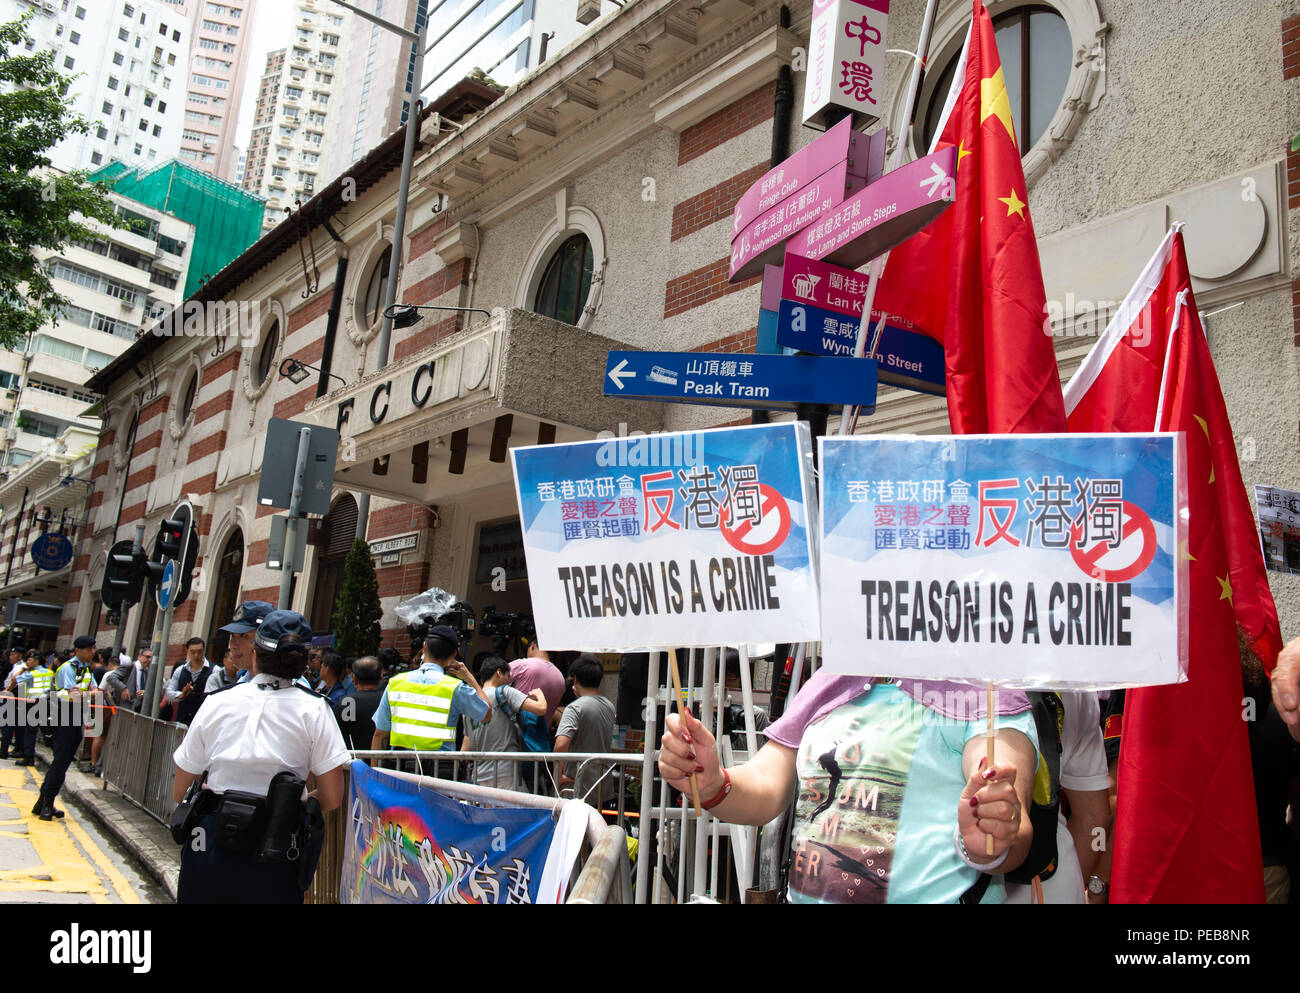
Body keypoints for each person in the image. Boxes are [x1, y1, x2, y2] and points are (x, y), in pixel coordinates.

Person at [659, 671, 1038, 903]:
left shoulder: (985, 686)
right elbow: (765, 786)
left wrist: (988, 835)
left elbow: (1011, 822)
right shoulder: (832, 678)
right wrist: (711, 782)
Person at [171, 611, 351, 904]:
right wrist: (300, 798)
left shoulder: (216, 702)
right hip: (276, 846)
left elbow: (181, 790)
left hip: (211, 841)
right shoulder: (316, 710)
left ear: (255, 654)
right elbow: (331, 796)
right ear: (305, 663)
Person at [1004, 691, 1111, 904]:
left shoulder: (935, 680)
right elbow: (1096, 820)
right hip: (1049, 884)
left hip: (945, 883)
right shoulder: (1071, 679)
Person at [370, 625, 490, 774]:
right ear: (453, 654)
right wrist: (470, 678)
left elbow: (380, 734)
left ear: (424, 646)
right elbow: (487, 713)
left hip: (400, 769)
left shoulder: (395, 683)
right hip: (439, 772)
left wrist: (373, 774)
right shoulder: (454, 687)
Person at [34, 636, 96, 820]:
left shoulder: (85, 669)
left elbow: (95, 691)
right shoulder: (68, 668)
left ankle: (43, 802)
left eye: (93, 648)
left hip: (75, 717)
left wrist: (88, 693)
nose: (93, 652)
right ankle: (46, 803)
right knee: (60, 762)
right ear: (78, 650)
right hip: (62, 717)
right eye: (90, 649)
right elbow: (75, 695)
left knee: (63, 763)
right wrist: (89, 694)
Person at [465, 656, 547, 791]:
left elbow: (465, 747)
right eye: (508, 676)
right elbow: (540, 709)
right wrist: (540, 695)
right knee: (518, 810)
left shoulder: (469, 703)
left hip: (479, 777)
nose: (509, 682)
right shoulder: (504, 691)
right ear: (498, 672)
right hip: (506, 774)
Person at [554, 655, 615, 806]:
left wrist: (557, 776)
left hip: (578, 788)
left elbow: (561, 744)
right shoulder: (609, 706)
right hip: (603, 787)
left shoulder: (575, 708)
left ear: (575, 680)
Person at [8, 650, 51, 766]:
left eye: (29, 660)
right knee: (37, 730)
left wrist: (22, 669)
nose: (27, 662)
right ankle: (28, 754)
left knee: (29, 732)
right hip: (44, 702)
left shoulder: (31, 673)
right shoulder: (49, 672)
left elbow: (14, 679)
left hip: (32, 703)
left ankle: (28, 757)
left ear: (36, 660)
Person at [508, 643, 566, 728]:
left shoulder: (524, 665)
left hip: (515, 732)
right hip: (540, 735)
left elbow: (493, 680)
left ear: (532, 646)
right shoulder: (560, 677)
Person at [219, 601, 274, 683]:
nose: (233, 645)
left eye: (243, 636)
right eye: (232, 635)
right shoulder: (242, 682)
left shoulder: (291, 689)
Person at [337, 656, 384, 751]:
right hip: (383, 762)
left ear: (354, 678)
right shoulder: (387, 700)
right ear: (380, 678)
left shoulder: (347, 702)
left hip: (352, 762)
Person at [165, 638, 212, 726]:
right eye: (192, 652)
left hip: (203, 722)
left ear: (204, 651)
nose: (196, 655)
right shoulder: (180, 670)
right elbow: (168, 694)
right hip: (181, 721)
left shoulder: (214, 671)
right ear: (187, 651)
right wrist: (181, 694)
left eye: (199, 651)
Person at [0, 645, 22, 759]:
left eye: (13, 654)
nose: (11, 656)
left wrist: (8, 690)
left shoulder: (20, 667)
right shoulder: (16, 666)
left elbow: (14, 680)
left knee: (6, 725)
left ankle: (3, 750)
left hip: (11, 697)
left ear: (20, 656)